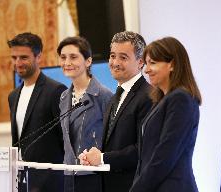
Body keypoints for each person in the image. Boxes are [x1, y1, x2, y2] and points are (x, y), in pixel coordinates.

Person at [79, 31, 153, 192]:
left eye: (123, 57)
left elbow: (143, 149)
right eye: (112, 56)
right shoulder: (115, 97)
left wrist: (102, 158)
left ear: (140, 62)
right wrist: (94, 156)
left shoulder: (148, 96)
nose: (115, 62)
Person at [129, 37, 202, 192]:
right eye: (146, 63)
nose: (146, 69)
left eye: (153, 63)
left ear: (172, 65)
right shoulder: (162, 100)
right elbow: (146, 157)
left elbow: (165, 155)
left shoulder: (180, 99)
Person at [8, 32, 67, 192]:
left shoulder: (56, 91)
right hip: (22, 181)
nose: (18, 63)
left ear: (38, 56)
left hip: (51, 183)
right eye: (14, 58)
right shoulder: (13, 96)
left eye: (23, 57)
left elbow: (66, 141)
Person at [57, 36, 113, 192]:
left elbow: (112, 139)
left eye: (73, 57)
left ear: (88, 61)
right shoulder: (63, 97)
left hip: (93, 174)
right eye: (63, 58)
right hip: (69, 174)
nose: (67, 63)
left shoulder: (103, 95)